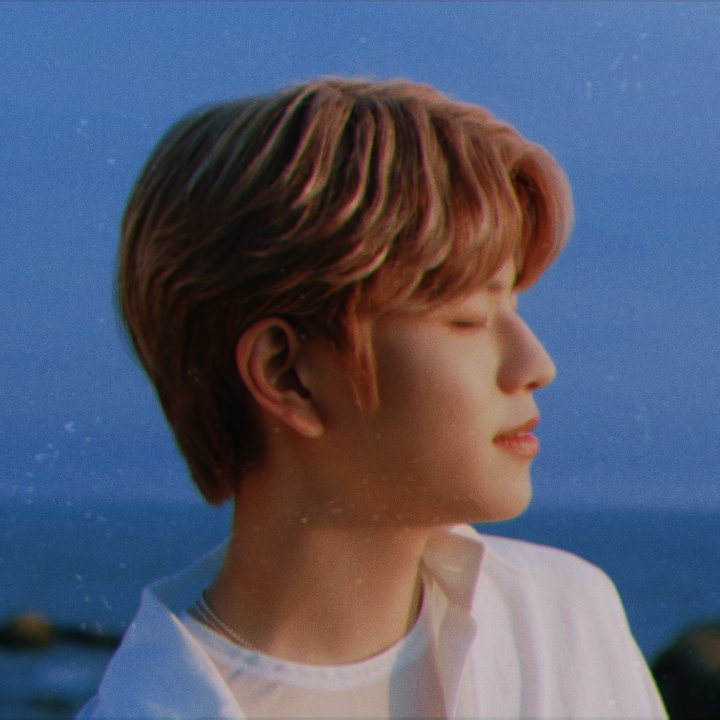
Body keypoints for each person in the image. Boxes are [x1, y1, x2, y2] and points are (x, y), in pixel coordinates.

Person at [78, 77, 666, 719]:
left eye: (514, 307)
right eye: (467, 319)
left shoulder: (563, 621)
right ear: (286, 373)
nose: (536, 365)